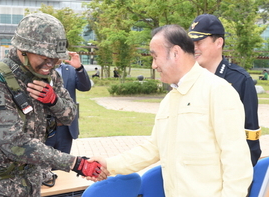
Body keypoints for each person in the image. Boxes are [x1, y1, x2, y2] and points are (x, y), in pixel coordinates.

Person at [90, 24, 253, 196]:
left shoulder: (217, 90)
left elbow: (236, 160)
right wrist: (109, 164)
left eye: (155, 57)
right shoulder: (170, 99)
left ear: (175, 52)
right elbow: (153, 148)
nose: (153, 65)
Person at [0, 13, 105, 197]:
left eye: (55, 59)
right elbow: (15, 144)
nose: (51, 64)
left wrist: (54, 102)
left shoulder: (49, 76)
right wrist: (76, 163)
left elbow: (70, 116)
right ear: (23, 50)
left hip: (32, 184)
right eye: (46, 57)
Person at [188, 14, 262, 166]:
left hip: (227, 173)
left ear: (219, 42)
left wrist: (239, 178)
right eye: (191, 42)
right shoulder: (187, 79)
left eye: (199, 41)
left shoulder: (240, 80)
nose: (194, 47)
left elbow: (250, 137)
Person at [45, 57, 91, 154]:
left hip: (65, 128)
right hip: (44, 127)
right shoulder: (40, 68)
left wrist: (79, 68)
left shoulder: (69, 69)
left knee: (62, 167)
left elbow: (85, 87)